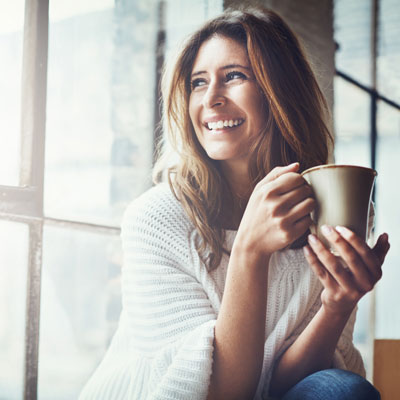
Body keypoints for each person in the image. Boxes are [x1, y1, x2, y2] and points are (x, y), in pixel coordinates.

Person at [79, 7, 390, 400]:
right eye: (198, 82)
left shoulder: (329, 212)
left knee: (340, 390)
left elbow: (282, 387)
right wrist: (249, 249)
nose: (210, 99)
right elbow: (219, 393)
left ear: (281, 92)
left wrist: (336, 304)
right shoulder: (156, 219)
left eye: (234, 77)